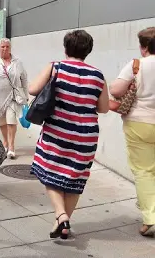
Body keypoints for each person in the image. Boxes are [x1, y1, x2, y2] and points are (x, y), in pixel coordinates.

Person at [28, 30, 109, 239]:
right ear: (88, 51)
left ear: (66, 48)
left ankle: (60, 214)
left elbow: (32, 89)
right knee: (75, 178)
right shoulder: (97, 75)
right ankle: (63, 223)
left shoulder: (56, 67)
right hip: (86, 136)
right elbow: (103, 108)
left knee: (49, 171)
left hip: (58, 131)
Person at [110, 27, 155, 237]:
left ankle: (151, 218)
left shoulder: (137, 65)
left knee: (144, 170)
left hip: (139, 123)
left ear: (144, 47)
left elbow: (115, 91)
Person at [0, 38, 29, 159]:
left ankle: (11, 146)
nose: (5, 49)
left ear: (10, 48)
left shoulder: (17, 62)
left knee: (11, 120)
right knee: (2, 121)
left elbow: (24, 78)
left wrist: (25, 94)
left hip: (13, 96)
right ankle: (6, 142)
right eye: (2, 47)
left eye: (7, 47)